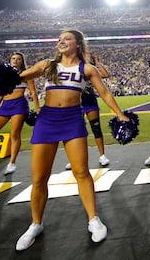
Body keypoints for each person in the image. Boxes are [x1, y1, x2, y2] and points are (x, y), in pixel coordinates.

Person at [14, 30, 130, 251]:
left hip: (72, 120)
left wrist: (119, 114)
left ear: (78, 44)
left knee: (82, 172)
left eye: (67, 39)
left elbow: (104, 93)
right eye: (59, 39)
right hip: (47, 120)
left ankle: (94, 220)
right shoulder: (47, 65)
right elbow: (19, 77)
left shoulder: (86, 68)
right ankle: (35, 224)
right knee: (39, 178)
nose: (61, 41)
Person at [65, 51, 112, 170]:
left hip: (89, 100)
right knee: (75, 130)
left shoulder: (90, 69)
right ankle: (73, 158)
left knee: (96, 128)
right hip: (75, 102)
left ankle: (102, 156)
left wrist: (97, 63)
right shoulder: (73, 67)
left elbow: (106, 75)